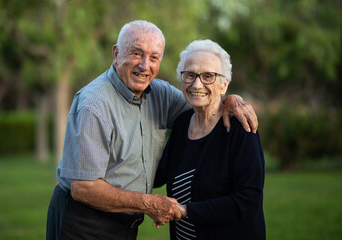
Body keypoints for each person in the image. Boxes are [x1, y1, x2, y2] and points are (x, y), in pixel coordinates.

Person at [46, 20, 258, 240]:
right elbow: (84, 188)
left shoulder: (161, 94)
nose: (145, 65)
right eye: (137, 53)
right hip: (83, 220)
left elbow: (204, 101)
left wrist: (230, 99)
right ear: (116, 53)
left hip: (125, 223)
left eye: (154, 57)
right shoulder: (95, 104)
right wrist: (149, 203)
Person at [154, 39, 265, 240]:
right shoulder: (181, 125)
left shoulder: (241, 128)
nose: (197, 84)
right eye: (190, 75)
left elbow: (248, 200)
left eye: (208, 76)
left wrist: (185, 210)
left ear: (224, 85)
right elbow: (158, 175)